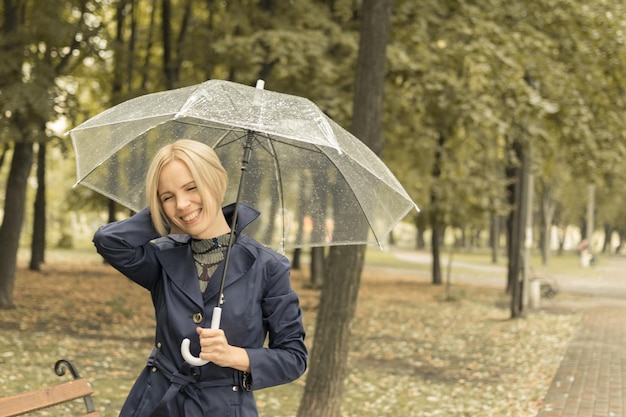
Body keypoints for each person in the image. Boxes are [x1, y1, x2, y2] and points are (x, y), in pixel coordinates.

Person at [93, 139, 307, 417]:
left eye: (191, 188)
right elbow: (109, 240)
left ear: (218, 180)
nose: (182, 203)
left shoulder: (268, 266)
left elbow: (294, 358)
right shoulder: (162, 258)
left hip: (224, 408)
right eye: (167, 196)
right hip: (155, 403)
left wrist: (235, 355)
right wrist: (170, 215)